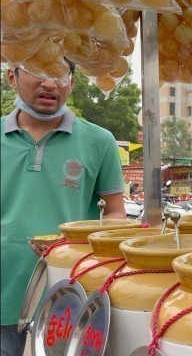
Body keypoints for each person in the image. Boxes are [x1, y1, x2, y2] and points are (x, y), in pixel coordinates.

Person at [1, 58, 126, 355]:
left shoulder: (99, 140)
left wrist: (79, 242)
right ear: (11, 77)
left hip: (68, 291)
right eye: (38, 71)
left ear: (71, 82)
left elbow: (116, 212)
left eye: (60, 74)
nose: (49, 83)